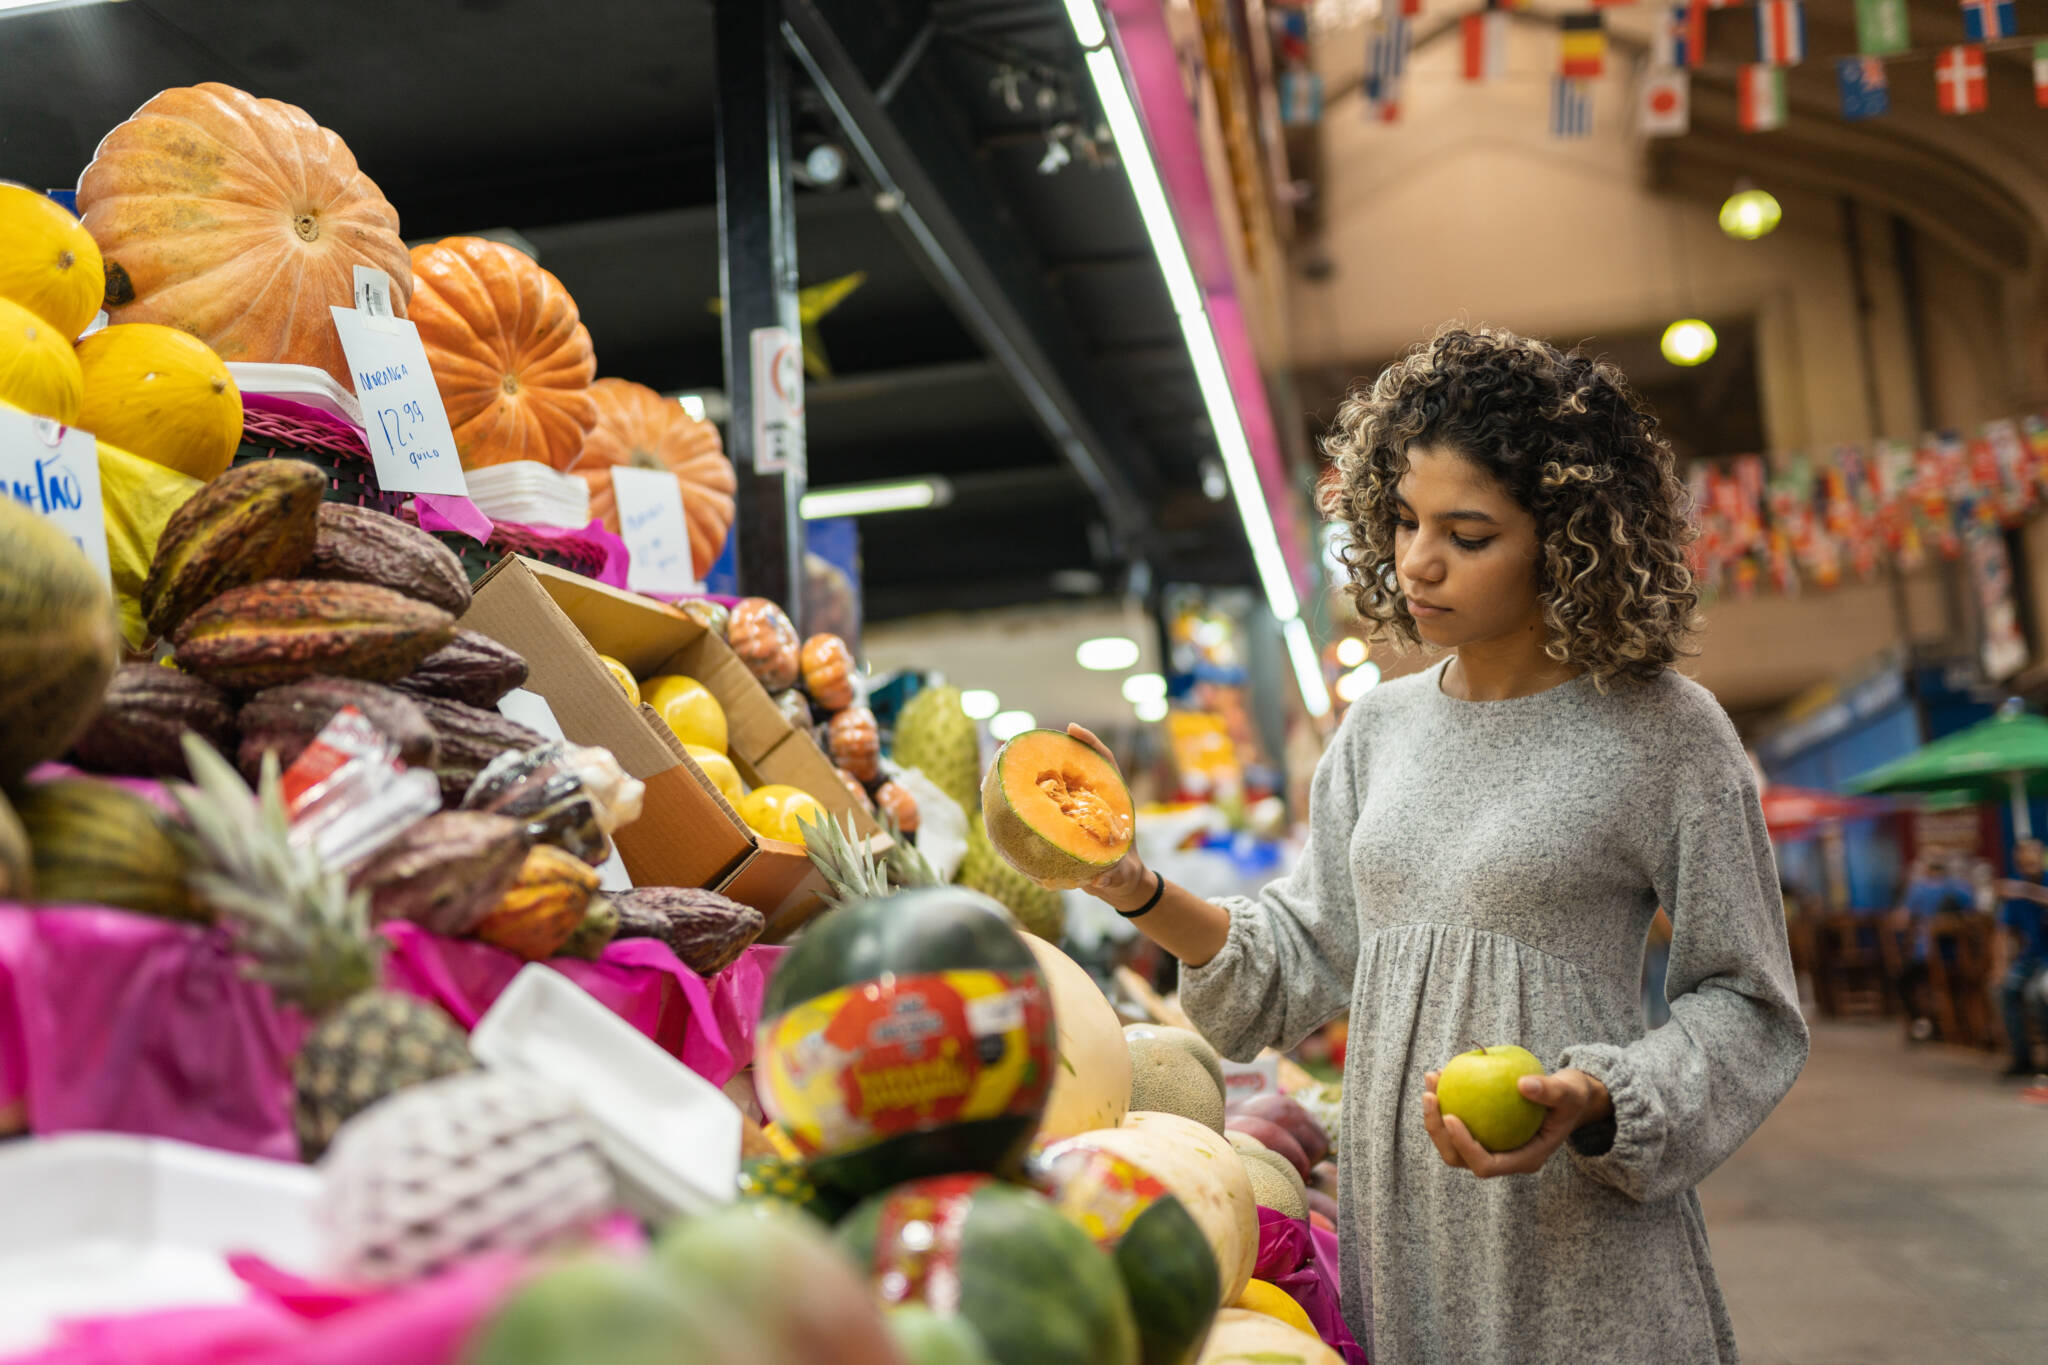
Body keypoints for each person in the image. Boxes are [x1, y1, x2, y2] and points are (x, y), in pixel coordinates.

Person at [1065, 328, 1807, 1365]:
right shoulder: (1377, 730)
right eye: (1405, 519)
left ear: (1564, 540)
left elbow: (1747, 1006)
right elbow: (1300, 953)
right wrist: (1137, 886)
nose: (1415, 561)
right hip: (1404, 1244)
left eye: (1466, 535)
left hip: (1579, 1248)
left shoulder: (1664, 733)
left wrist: (1601, 1099)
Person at [1994, 838, 2048, 1078]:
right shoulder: (2015, 893)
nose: (2030, 862)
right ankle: (2021, 1057)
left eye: (2034, 857)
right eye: (2024, 859)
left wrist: (2024, 891)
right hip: (2031, 958)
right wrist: (2000, 966)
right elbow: (2002, 933)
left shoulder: (2026, 888)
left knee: (2036, 993)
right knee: (2004, 990)